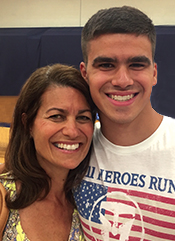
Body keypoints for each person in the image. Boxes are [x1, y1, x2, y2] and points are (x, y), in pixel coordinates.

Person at [73, 6, 175, 241]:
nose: (122, 80)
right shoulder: (74, 147)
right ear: (85, 73)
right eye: (106, 65)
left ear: (154, 73)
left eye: (137, 64)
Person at [0, 63, 96, 241]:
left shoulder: (89, 200)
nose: (72, 131)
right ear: (28, 124)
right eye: (56, 116)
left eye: (83, 117)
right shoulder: (3, 197)